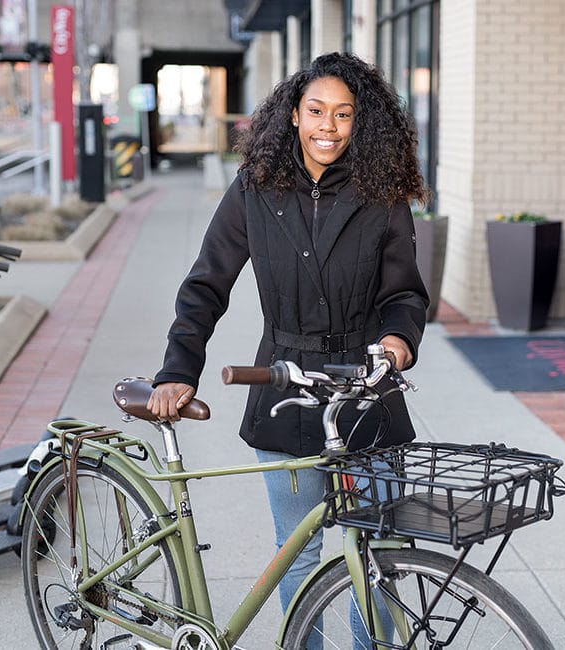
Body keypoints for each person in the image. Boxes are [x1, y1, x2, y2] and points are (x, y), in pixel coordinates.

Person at [148, 51, 431, 646]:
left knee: (379, 556)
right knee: (298, 556)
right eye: (316, 111)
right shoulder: (256, 188)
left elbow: (405, 293)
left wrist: (398, 340)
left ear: (363, 123)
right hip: (284, 393)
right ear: (294, 117)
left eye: (344, 114)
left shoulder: (382, 195)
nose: (328, 126)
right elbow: (206, 285)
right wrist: (179, 370)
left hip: (366, 391)